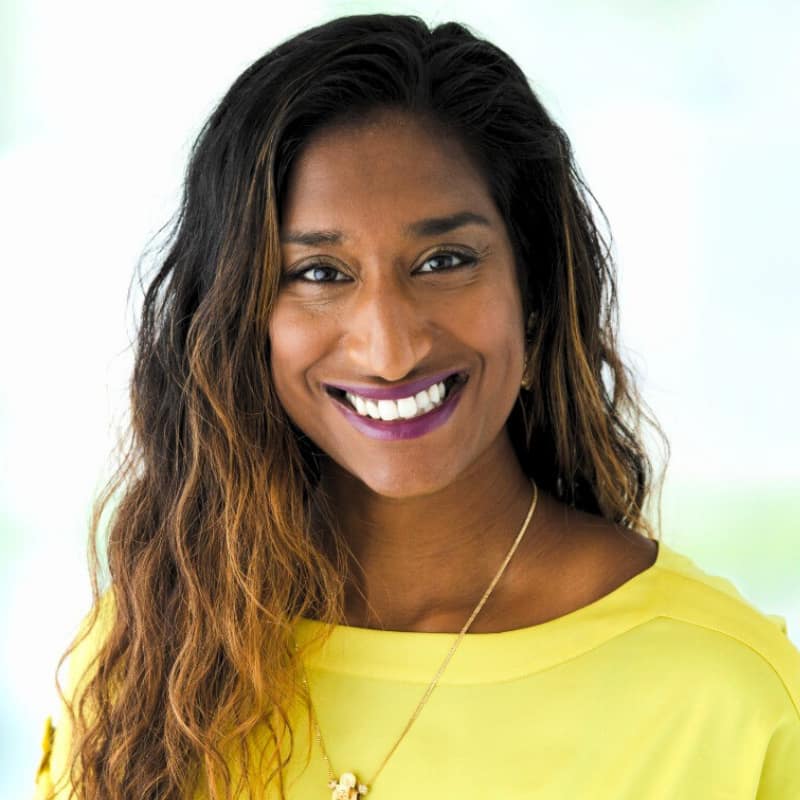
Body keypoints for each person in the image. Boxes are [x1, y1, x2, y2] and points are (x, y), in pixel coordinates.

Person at [34, 13, 799, 800]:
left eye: (444, 261)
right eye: (320, 273)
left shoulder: (727, 698)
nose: (390, 349)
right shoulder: (148, 665)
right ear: (237, 320)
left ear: (533, 295)